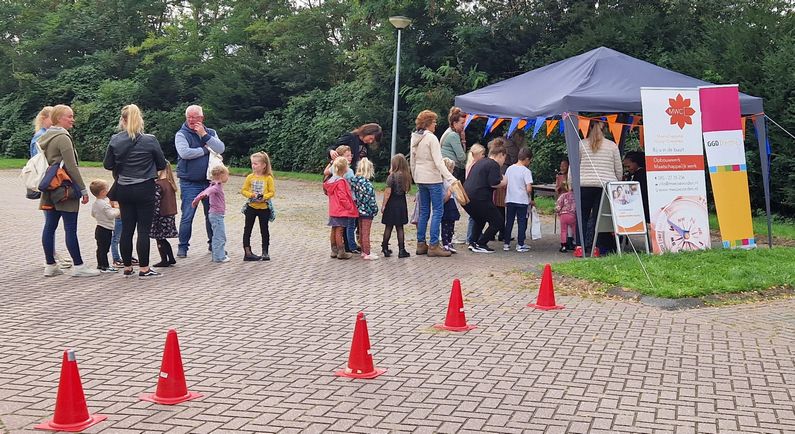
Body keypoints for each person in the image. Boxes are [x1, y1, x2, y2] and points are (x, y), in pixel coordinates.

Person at [104, 104, 167, 278]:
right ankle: (144, 268)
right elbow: (161, 164)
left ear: (122, 120)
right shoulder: (150, 140)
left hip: (123, 188)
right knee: (143, 230)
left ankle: (127, 267)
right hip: (144, 188)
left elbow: (107, 164)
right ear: (140, 119)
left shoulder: (115, 140)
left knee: (127, 229)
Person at [38, 104, 99, 277]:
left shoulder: (45, 136)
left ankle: (50, 264)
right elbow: (71, 167)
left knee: (49, 227)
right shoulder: (63, 137)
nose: (72, 119)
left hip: (49, 188)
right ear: (58, 118)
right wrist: (82, 189)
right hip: (65, 188)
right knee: (70, 228)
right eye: (69, 116)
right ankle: (79, 266)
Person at [175, 105, 226, 258]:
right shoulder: (181, 134)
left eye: (194, 117)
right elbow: (184, 153)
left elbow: (220, 148)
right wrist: (205, 150)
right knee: (187, 216)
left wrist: (204, 136)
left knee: (211, 215)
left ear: (202, 118)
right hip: (189, 182)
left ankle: (213, 245)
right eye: (188, 117)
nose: (191, 120)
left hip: (210, 182)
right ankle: (183, 247)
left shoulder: (211, 132)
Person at [570, 120, 623, 255]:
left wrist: (571, 184)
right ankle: (596, 247)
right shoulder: (612, 146)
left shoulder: (581, 144)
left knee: (582, 217)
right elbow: (618, 169)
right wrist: (618, 181)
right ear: (605, 129)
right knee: (599, 218)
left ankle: (579, 247)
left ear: (588, 128)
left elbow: (574, 166)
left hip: (584, 185)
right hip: (604, 186)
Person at [410, 110, 456, 257]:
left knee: (424, 211)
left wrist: (415, 176)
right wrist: (450, 178)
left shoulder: (415, 137)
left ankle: (421, 244)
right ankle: (434, 245)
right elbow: (439, 162)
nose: (436, 124)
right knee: (438, 211)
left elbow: (412, 161)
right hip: (433, 179)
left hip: (420, 178)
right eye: (434, 122)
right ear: (428, 123)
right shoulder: (432, 138)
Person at [464, 140, 507, 253]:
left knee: (480, 219)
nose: (504, 161)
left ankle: (473, 242)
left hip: (467, 197)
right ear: (501, 155)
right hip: (480, 197)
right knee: (498, 221)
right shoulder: (493, 164)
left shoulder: (481, 162)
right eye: (504, 158)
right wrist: (504, 181)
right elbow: (494, 182)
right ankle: (481, 243)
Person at [240, 152, 275, 261]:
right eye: (252, 164)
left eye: (256, 164)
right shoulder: (250, 177)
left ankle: (265, 251)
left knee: (264, 230)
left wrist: (264, 197)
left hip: (263, 207)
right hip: (251, 207)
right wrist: (251, 195)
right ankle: (247, 251)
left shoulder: (268, 178)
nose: (253, 166)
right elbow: (243, 190)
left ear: (264, 165)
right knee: (247, 229)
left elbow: (272, 192)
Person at [192, 165, 230, 263]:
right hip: (216, 215)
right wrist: (198, 199)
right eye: (227, 175)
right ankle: (219, 257)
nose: (228, 177)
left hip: (216, 214)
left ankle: (217, 255)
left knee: (218, 235)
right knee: (219, 236)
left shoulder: (214, 184)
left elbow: (207, 191)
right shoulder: (215, 187)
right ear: (221, 175)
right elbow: (207, 192)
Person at [324, 145, 357, 253]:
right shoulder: (341, 181)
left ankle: (333, 250)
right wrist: (350, 207)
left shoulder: (331, 180)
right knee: (340, 229)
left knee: (334, 229)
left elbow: (326, 172)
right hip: (341, 210)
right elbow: (343, 197)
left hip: (333, 209)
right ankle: (341, 251)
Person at [381, 154, 412, 258]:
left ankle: (385, 247)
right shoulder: (406, 176)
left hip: (391, 204)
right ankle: (402, 250)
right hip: (401, 204)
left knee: (388, 226)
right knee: (400, 227)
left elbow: (387, 192)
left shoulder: (392, 176)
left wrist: (383, 205)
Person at [504, 147, 534, 252]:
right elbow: (529, 188)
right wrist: (529, 195)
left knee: (509, 222)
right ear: (526, 159)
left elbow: (505, 183)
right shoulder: (526, 171)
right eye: (529, 160)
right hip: (522, 200)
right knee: (522, 222)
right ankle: (520, 244)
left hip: (510, 199)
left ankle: (506, 243)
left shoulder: (510, 169)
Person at [350, 158, 379, 260]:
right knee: (366, 233)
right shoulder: (368, 184)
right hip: (367, 211)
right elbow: (371, 200)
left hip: (358, 210)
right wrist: (375, 210)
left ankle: (363, 250)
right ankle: (367, 252)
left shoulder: (355, 181)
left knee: (361, 232)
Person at [151, 163, 179, 268]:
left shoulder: (158, 184)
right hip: (169, 214)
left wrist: (152, 214)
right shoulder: (169, 183)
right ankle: (170, 258)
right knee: (162, 238)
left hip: (160, 215)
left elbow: (156, 202)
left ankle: (164, 259)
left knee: (159, 238)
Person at [89, 179, 120, 273]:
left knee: (100, 248)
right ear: (103, 192)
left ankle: (100, 264)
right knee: (104, 249)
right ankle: (105, 266)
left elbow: (93, 214)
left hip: (99, 227)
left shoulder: (95, 203)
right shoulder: (104, 204)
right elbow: (111, 215)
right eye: (107, 189)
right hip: (106, 229)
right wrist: (118, 210)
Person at [464, 144, 486, 245]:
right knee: (474, 216)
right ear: (475, 154)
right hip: (474, 193)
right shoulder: (474, 166)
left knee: (475, 216)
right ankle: (471, 237)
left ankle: (474, 235)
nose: (483, 156)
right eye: (482, 154)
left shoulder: (470, 165)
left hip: (470, 192)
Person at [440, 107, 468, 180]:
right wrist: (463, 141)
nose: (464, 125)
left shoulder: (448, 132)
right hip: (453, 169)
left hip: (447, 167)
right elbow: (462, 157)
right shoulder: (453, 135)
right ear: (455, 123)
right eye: (462, 123)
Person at [441, 158, 461, 253]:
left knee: (448, 224)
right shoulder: (447, 181)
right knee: (448, 224)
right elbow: (448, 193)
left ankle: (448, 242)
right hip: (449, 203)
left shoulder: (444, 180)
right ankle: (447, 242)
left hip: (450, 203)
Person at [623, 151, 650, 222]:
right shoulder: (633, 174)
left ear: (636, 163)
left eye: (628, 166)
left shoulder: (641, 175)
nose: (627, 169)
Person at [555, 183, 577, 252]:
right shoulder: (576, 196)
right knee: (574, 230)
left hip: (563, 215)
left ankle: (563, 246)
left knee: (563, 230)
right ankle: (575, 243)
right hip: (572, 215)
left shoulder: (563, 195)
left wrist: (557, 211)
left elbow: (558, 205)